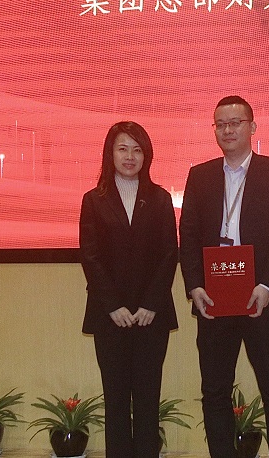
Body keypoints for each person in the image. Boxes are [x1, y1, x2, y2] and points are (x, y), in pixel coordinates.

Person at [179, 96, 269, 458]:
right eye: (221, 124)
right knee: (215, 390)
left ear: (252, 127)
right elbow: (188, 235)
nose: (228, 130)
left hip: (261, 296)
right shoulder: (200, 176)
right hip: (214, 297)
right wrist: (194, 286)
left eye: (235, 123)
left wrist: (267, 285)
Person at [80, 121, 179, 458]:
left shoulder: (160, 198)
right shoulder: (94, 200)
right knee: (116, 401)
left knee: (148, 400)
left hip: (152, 316)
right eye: (123, 148)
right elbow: (90, 257)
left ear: (146, 155)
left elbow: (169, 254)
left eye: (137, 150)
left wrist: (151, 303)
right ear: (110, 153)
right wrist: (113, 306)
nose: (130, 156)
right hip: (110, 316)